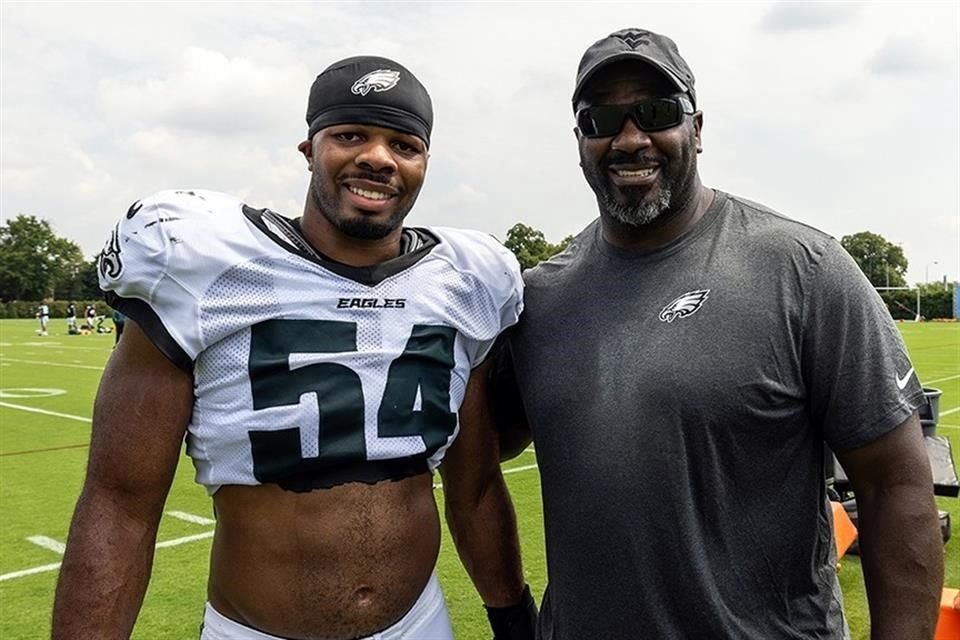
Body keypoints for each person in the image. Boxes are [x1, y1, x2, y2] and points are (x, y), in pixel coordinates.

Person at [53, 56, 536, 640]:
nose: (378, 158)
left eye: (403, 144)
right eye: (351, 135)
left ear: (424, 163)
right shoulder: (204, 262)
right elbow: (119, 505)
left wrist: (511, 615)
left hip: (418, 622)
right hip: (254, 629)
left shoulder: (467, 281)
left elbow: (476, 485)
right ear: (309, 149)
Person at [487, 28, 944, 639]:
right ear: (579, 141)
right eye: (602, 119)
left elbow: (895, 488)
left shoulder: (803, 269)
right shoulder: (538, 298)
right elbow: (481, 445)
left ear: (696, 128)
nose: (629, 139)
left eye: (655, 112)